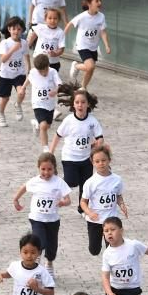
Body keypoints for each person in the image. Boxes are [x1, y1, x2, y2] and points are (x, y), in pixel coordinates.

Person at [13, 153, 71, 275]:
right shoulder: (35, 181)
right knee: (40, 241)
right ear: (38, 168)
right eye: (43, 169)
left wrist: (62, 202)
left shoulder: (59, 182)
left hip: (52, 220)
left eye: (49, 169)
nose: (46, 172)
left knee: (52, 247)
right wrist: (16, 199)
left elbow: (68, 200)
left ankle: (49, 263)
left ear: (54, 168)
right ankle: (36, 264)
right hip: (37, 218)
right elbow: (24, 187)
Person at [49, 87, 102, 215]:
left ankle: (82, 209)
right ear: (73, 104)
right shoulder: (69, 121)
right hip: (70, 158)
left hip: (86, 159)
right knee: (72, 181)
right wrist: (50, 152)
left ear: (88, 104)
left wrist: (97, 146)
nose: (80, 105)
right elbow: (58, 135)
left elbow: (100, 137)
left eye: (83, 102)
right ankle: (58, 184)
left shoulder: (92, 121)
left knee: (85, 186)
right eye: (77, 102)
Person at [80, 145, 127, 256]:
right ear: (93, 163)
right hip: (95, 220)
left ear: (109, 160)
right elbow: (83, 202)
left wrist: (122, 205)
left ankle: (111, 269)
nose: (101, 163)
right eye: (97, 161)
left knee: (112, 249)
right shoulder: (90, 182)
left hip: (111, 219)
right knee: (94, 250)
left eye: (103, 160)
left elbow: (118, 195)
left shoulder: (117, 179)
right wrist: (89, 212)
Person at [64, 0, 110, 89]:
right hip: (82, 46)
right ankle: (76, 66)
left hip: (93, 47)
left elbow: (103, 32)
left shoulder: (101, 17)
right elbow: (70, 24)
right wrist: (61, 37)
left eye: (100, 0)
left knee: (90, 69)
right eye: (97, 1)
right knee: (90, 66)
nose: (100, 3)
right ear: (89, 4)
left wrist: (106, 45)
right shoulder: (82, 16)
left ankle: (83, 87)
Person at [0, 16, 30, 128]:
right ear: (9, 29)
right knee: (5, 97)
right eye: (13, 29)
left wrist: (29, 68)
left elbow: (27, 55)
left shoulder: (24, 43)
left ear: (22, 31)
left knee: (22, 92)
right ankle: (0, 113)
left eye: (19, 29)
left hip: (19, 73)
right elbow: (3, 59)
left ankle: (18, 104)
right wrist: (14, 49)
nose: (16, 31)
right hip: (6, 74)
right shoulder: (5, 43)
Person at [26, 53, 62, 152]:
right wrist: (23, 88)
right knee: (44, 125)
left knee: (47, 126)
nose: (42, 73)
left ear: (48, 66)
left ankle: (36, 125)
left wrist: (55, 91)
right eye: (40, 72)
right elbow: (29, 78)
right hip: (37, 103)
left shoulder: (53, 72)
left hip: (50, 104)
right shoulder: (33, 72)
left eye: (44, 71)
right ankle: (45, 148)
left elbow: (59, 84)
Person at [29, 8, 66, 78]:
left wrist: (55, 53)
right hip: (39, 59)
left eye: (55, 18)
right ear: (45, 19)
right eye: (50, 18)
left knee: (51, 79)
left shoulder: (60, 32)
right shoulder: (40, 28)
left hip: (53, 61)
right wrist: (27, 45)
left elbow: (61, 49)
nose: (52, 20)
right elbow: (34, 35)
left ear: (59, 20)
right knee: (38, 77)